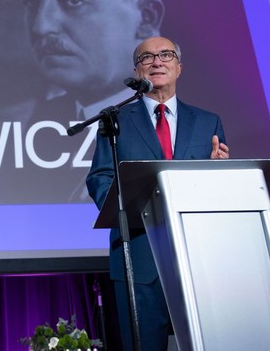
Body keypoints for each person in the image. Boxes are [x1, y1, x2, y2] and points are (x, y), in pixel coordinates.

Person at [86, 36, 230, 351]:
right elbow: (100, 177)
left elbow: (219, 188)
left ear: (179, 67)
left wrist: (220, 173)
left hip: (200, 258)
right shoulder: (115, 120)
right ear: (137, 73)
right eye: (146, 58)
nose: (156, 61)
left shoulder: (208, 122)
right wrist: (129, 208)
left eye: (166, 55)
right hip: (139, 257)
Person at [16, 0, 165, 123]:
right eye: (31, 2)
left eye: (73, 1)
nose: (41, 27)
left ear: (146, 19)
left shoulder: (189, 117)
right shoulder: (37, 120)